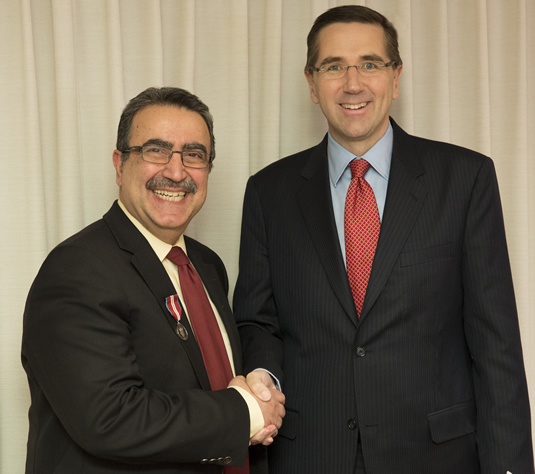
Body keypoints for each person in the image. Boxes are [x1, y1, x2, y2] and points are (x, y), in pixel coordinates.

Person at [233, 5, 533, 474]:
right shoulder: (268, 192)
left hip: (438, 458)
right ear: (311, 84)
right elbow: (257, 321)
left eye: (370, 64)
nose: (353, 83)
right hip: (310, 456)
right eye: (334, 66)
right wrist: (263, 381)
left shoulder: (465, 179)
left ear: (396, 78)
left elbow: (496, 346)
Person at [21, 86, 285, 474]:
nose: (176, 172)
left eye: (194, 155)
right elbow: (110, 417)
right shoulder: (76, 270)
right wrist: (245, 412)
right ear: (119, 164)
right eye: (156, 150)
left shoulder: (206, 265)